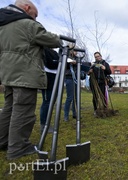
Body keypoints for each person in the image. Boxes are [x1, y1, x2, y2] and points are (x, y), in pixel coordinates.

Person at [0, 0, 62, 160]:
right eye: (35, 15)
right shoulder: (28, 24)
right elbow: (52, 40)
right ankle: (17, 147)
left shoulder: (3, 24)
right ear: (27, 8)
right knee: (23, 111)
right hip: (25, 73)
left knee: (9, 109)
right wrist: (60, 39)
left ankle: (3, 141)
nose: (35, 18)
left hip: (8, 74)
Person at [40, 47, 59, 133]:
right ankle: (43, 125)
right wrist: (60, 62)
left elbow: (59, 63)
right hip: (47, 79)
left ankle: (47, 123)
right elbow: (50, 64)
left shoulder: (55, 53)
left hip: (55, 79)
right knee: (47, 102)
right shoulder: (44, 50)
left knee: (52, 102)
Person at [64, 50, 77, 122]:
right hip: (69, 78)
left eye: (76, 51)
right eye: (74, 51)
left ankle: (75, 113)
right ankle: (66, 115)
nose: (76, 52)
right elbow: (65, 63)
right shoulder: (66, 57)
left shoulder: (77, 59)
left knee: (76, 97)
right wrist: (70, 62)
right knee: (70, 97)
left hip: (76, 79)